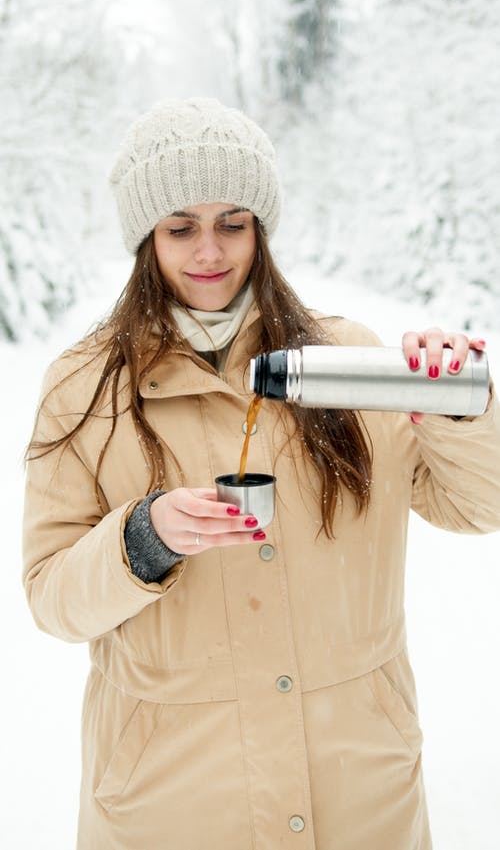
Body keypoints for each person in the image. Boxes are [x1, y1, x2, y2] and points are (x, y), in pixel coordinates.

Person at [22, 98, 500, 850]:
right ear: (145, 237)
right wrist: (142, 538)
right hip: (172, 801)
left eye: (232, 223)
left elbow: (478, 505)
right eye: (180, 227)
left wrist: (452, 405)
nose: (209, 250)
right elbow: (51, 597)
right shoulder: (82, 389)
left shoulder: (350, 362)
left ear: (261, 230)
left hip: (357, 790)